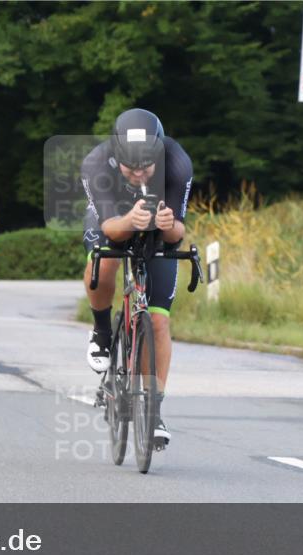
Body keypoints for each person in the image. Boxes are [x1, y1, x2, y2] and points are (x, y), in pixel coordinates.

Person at [80, 108, 193, 448]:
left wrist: (167, 223)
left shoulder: (177, 162)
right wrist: (130, 220)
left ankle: (154, 410)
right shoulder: (96, 163)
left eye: (146, 168)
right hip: (113, 219)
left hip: (157, 227)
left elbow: (178, 235)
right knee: (106, 261)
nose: (139, 174)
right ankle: (101, 329)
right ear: (117, 158)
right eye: (131, 168)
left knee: (158, 322)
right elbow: (109, 227)